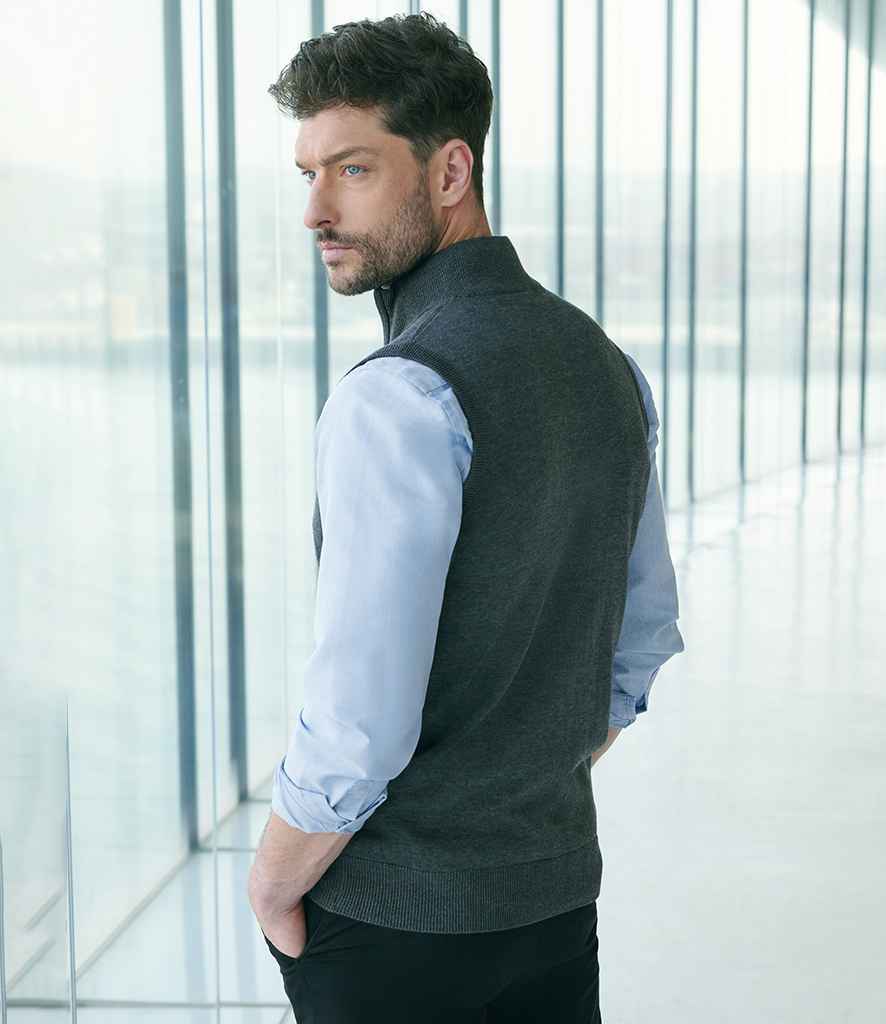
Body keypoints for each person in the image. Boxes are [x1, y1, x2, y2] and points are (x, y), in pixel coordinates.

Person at [247, 12, 684, 1023]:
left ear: (451, 172)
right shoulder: (605, 366)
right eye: (307, 173)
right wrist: (519, 779)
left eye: (352, 169)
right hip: (552, 910)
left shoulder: (394, 395)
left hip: (391, 931)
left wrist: (271, 881)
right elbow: (641, 639)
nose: (316, 210)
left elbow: (358, 728)